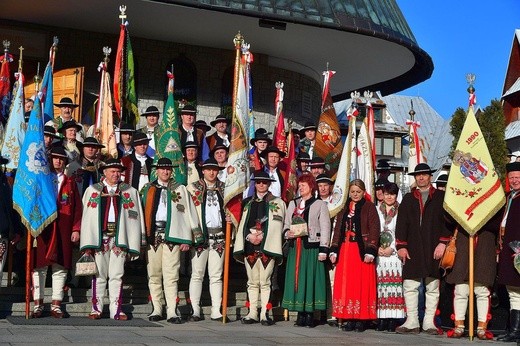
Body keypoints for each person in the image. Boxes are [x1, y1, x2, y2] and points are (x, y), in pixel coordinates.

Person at [80, 158, 145, 320]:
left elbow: (137, 217)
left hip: (119, 238)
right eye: (112, 171)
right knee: (99, 274)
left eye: (118, 171)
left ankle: (116, 310)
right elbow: (86, 217)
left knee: (117, 274)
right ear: (104, 172)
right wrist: (87, 239)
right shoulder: (93, 191)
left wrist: (138, 239)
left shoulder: (130, 191)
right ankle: (96, 309)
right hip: (100, 239)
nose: (116, 174)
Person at [141, 158, 202, 324]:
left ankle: (171, 311)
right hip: (153, 236)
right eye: (162, 169)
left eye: (168, 169)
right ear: (157, 170)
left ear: (172, 171)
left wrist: (188, 238)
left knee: (171, 275)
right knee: (153, 274)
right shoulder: (148, 189)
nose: (165, 172)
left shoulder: (180, 189)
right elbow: (140, 213)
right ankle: (156, 308)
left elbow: (190, 213)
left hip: (172, 236)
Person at [394, 163, 450, 335]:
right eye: (418, 175)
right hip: (413, 247)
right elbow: (401, 223)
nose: (421, 177)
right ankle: (411, 321)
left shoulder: (441, 196)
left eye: (424, 175)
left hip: (434, 246)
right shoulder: (408, 198)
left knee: (432, 285)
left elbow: (448, 221)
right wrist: (401, 246)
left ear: (430, 177)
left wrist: (443, 242)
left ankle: (429, 323)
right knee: (410, 284)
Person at [32, 146, 82, 318]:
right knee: (39, 266)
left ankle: (56, 304)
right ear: (49, 160)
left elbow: (77, 209)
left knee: (60, 266)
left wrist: (76, 229)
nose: (58, 161)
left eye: (61, 159)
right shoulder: (41, 180)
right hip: (43, 227)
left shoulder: (70, 182)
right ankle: (38, 304)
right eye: (55, 158)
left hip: (63, 228)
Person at [234, 171, 286, 325]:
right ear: (254, 184)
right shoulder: (247, 202)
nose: (261, 185)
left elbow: (278, 225)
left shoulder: (277, 202)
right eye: (258, 182)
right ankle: (252, 312)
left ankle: (265, 313)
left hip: (266, 247)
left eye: (264, 182)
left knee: (265, 281)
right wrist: (248, 236)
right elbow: (242, 224)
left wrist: (263, 236)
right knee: (252, 281)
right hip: (250, 246)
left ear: (269, 183)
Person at [330, 179, 380, 332]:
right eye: (352, 192)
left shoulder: (369, 207)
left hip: (361, 251)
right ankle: (348, 317)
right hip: (346, 250)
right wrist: (334, 249)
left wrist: (371, 249)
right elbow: (338, 228)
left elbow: (374, 228)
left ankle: (361, 319)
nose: (355, 194)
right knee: (347, 285)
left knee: (361, 284)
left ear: (363, 192)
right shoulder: (344, 208)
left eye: (358, 192)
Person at [282, 174, 331, 328]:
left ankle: (309, 315)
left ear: (311, 187)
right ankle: (299, 314)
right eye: (300, 184)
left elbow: (325, 227)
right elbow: (286, 224)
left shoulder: (319, 204)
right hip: (295, 247)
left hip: (311, 247)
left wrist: (324, 248)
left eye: (304, 184)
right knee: (297, 280)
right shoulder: (293, 203)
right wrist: (287, 233)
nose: (301, 187)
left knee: (309, 279)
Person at [445, 212, 500, 340]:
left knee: (482, 290)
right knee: (461, 290)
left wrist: (478, 219)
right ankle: (459, 326)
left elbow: (497, 222)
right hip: (463, 245)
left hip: (484, 246)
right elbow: (448, 216)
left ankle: (482, 327)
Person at [187, 158, 226, 322]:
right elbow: (189, 213)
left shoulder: (225, 189)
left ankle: (216, 309)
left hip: (219, 237)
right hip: (200, 237)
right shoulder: (192, 188)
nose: (212, 172)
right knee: (197, 274)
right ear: (202, 170)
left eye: (214, 169)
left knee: (216, 275)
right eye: (208, 169)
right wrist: (195, 233)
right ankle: (195, 309)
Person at [375, 183, 405, 332]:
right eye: (387, 194)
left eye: (392, 194)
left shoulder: (401, 210)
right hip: (380, 253)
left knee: (394, 288)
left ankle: (393, 318)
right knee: (380, 288)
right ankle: (381, 318)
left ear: (396, 195)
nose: (389, 197)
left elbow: (402, 230)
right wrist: (377, 247)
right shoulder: (376, 210)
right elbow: (374, 229)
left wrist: (392, 248)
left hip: (393, 255)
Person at [497, 161, 520, 342]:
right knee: (513, 291)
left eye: (517, 177)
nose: (514, 180)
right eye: (511, 178)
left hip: (518, 250)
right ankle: (514, 330)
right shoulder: (508, 197)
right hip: (507, 249)